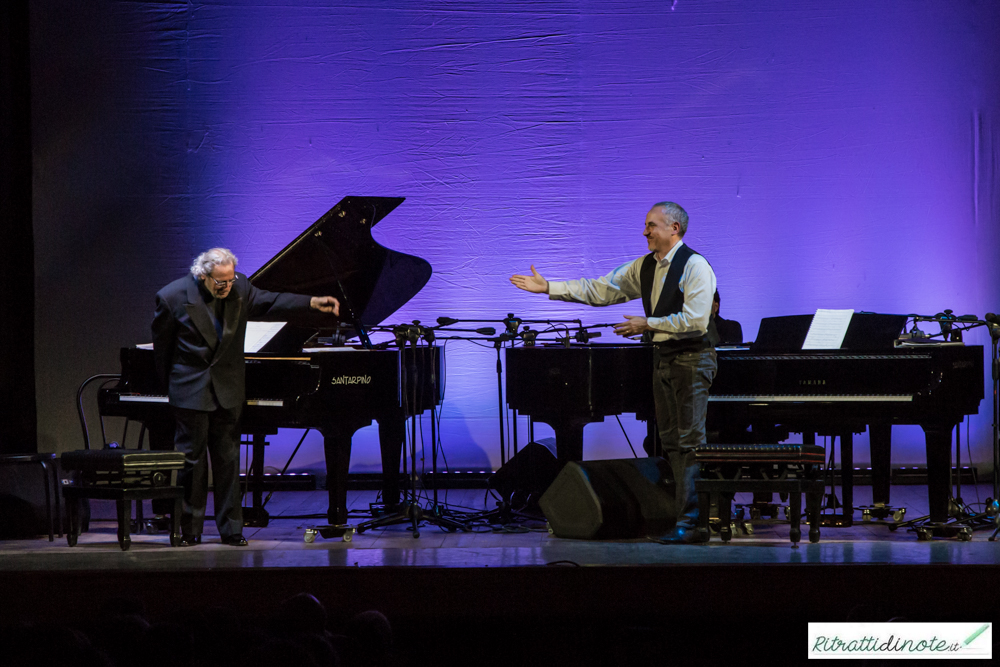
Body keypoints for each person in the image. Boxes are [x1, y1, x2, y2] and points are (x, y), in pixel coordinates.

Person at [510, 202, 717, 544]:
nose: (645, 231)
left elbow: (696, 322)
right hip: (663, 358)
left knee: (689, 443)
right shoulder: (645, 267)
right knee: (670, 443)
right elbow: (601, 289)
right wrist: (550, 288)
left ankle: (694, 523)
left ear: (674, 229)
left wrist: (646, 323)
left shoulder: (695, 266)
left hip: (692, 359)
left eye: (651, 225)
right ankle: (682, 517)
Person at [152, 248, 339, 546]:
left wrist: (312, 302)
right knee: (192, 463)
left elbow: (272, 300)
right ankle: (189, 530)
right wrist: (175, 386)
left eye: (230, 280)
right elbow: (162, 351)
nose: (227, 286)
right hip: (191, 391)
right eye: (220, 282)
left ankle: (231, 529)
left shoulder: (240, 286)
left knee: (228, 460)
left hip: (228, 389)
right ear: (203, 275)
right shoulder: (172, 296)